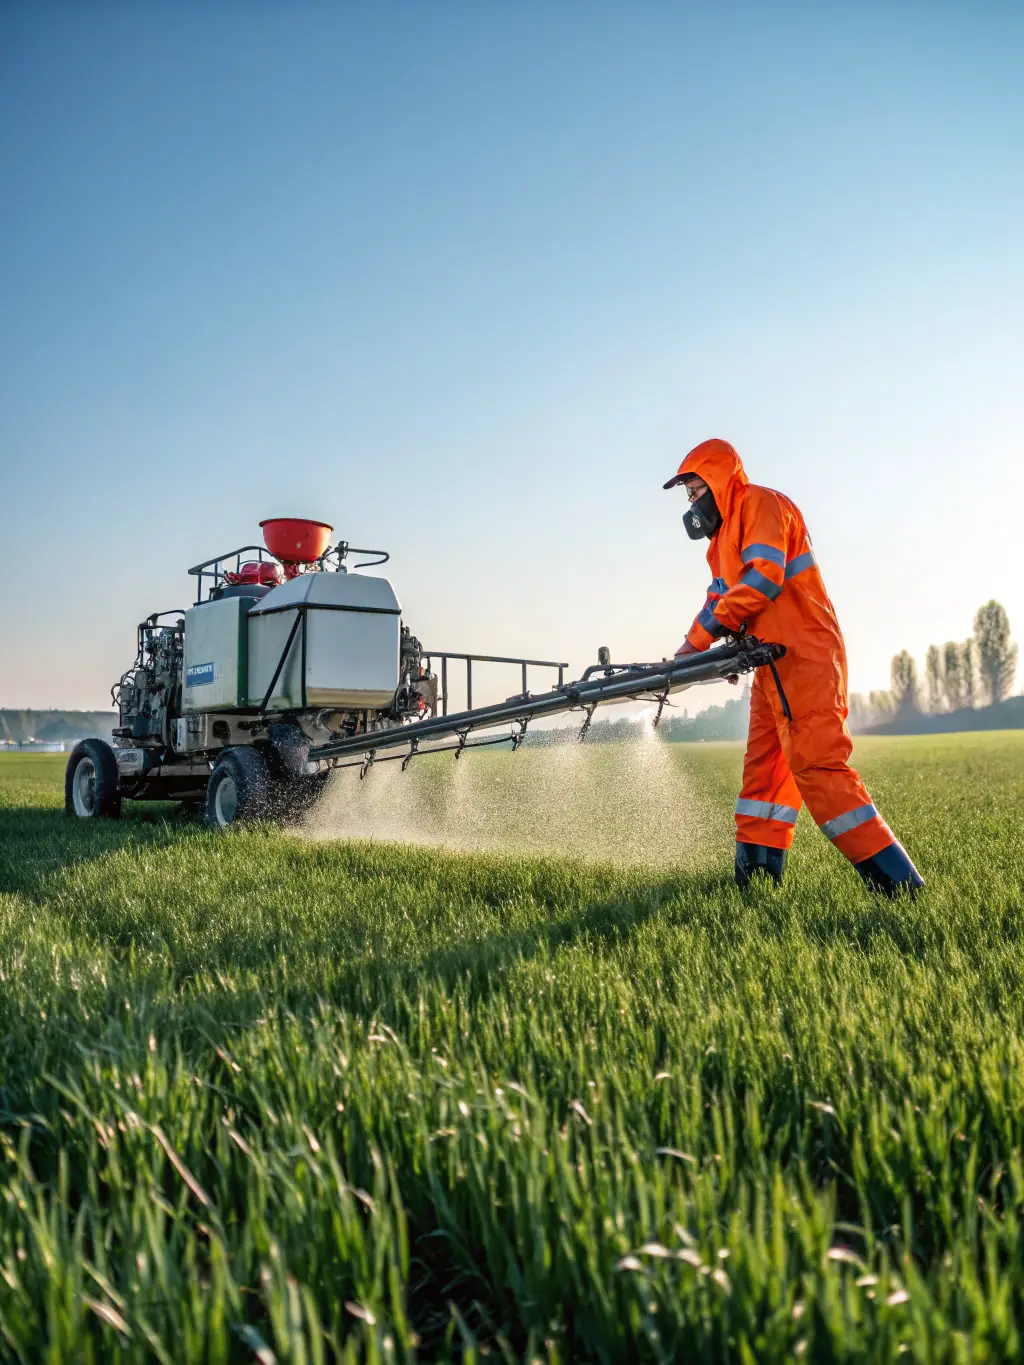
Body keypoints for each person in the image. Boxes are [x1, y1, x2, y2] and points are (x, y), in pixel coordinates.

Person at [665, 437, 923, 897]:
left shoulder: (761, 504)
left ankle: (900, 888)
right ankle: (757, 885)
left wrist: (712, 633)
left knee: (818, 766)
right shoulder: (720, 543)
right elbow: (720, 598)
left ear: (718, 480)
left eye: (695, 490)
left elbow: (763, 578)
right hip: (769, 664)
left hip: (804, 655)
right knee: (763, 772)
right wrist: (694, 649)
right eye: (687, 495)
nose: (692, 503)